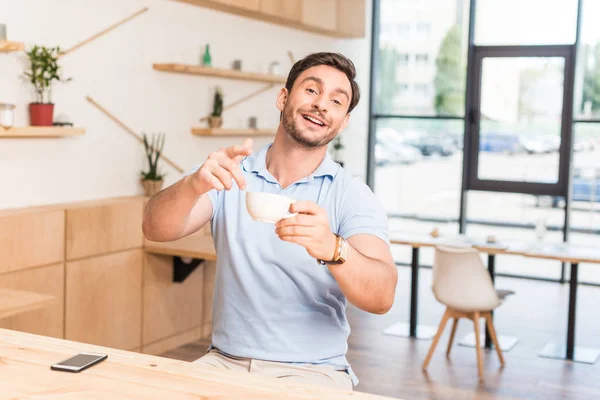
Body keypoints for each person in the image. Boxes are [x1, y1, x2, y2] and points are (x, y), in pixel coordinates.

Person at [142, 52, 398, 391]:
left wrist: (333, 248)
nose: (322, 105)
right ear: (283, 97)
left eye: (337, 101)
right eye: (311, 91)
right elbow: (155, 228)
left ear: (343, 121)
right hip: (224, 361)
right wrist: (192, 186)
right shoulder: (231, 171)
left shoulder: (350, 194)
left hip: (313, 372)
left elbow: (382, 296)